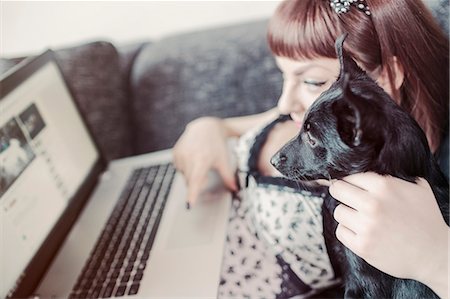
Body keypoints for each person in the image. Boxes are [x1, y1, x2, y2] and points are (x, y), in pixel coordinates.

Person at [173, 0, 449, 298]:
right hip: (200, 216)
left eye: (312, 80)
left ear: (387, 77)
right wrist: (210, 126)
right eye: (284, 74)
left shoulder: (376, 146)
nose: (283, 104)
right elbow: (277, 119)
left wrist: (436, 260)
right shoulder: (319, 115)